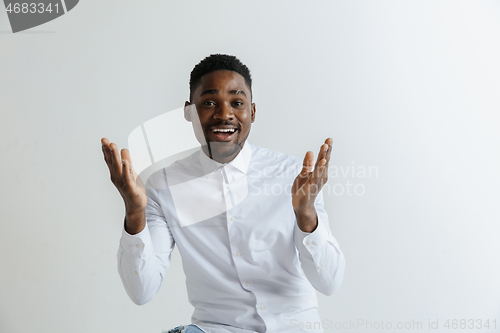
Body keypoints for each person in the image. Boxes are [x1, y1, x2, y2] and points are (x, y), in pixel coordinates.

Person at [101, 54, 345, 333]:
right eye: (208, 103)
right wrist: (135, 213)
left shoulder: (295, 176)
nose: (224, 113)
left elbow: (329, 282)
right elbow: (141, 291)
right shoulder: (162, 187)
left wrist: (306, 214)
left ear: (252, 112)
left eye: (237, 103)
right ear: (189, 112)